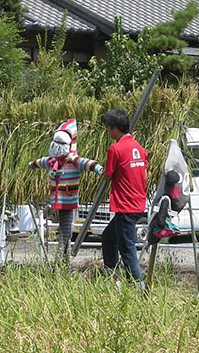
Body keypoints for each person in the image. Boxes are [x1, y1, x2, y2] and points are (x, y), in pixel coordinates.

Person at [28, 119, 102, 263]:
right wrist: (32, 164)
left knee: (65, 232)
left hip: (68, 200)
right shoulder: (51, 161)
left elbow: (86, 163)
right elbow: (40, 161)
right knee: (64, 230)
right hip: (57, 200)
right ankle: (65, 262)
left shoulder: (73, 160)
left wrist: (97, 168)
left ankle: (59, 263)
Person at [101, 109, 148, 290]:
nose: (108, 132)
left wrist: (99, 170)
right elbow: (143, 173)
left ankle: (140, 288)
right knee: (108, 237)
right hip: (137, 203)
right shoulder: (138, 147)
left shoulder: (116, 148)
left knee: (127, 249)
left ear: (114, 129)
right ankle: (115, 280)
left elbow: (108, 175)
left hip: (125, 205)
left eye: (108, 128)